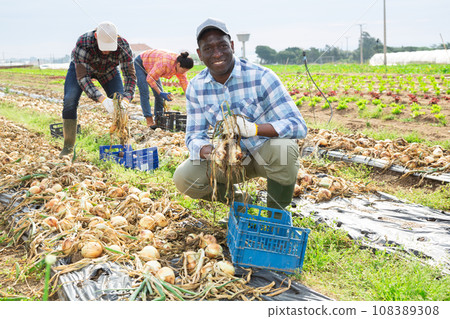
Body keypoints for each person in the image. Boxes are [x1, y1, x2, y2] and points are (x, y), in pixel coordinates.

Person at [173, 18, 308, 211]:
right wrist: (211, 152)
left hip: (264, 154)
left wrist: (254, 129)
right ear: (200, 55)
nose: (217, 53)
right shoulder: (196, 87)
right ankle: (241, 202)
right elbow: (194, 136)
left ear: (232, 46)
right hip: (228, 161)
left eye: (222, 45)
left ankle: (276, 216)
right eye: (208, 49)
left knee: (284, 149)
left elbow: (298, 125)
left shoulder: (261, 76)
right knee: (184, 178)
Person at [60, 21, 136, 157]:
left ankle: (125, 146)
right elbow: (83, 78)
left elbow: (130, 75)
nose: (106, 51)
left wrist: (126, 99)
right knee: (69, 100)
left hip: (109, 71)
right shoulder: (83, 42)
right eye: (103, 47)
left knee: (119, 102)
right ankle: (68, 146)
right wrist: (103, 100)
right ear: (96, 36)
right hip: (83, 69)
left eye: (110, 47)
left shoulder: (123, 45)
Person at [134, 49, 194, 127]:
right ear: (178, 64)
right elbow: (150, 79)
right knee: (144, 92)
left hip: (153, 67)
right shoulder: (165, 63)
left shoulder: (181, 67)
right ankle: (149, 120)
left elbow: (184, 83)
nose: (183, 73)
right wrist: (161, 93)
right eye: (183, 70)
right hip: (141, 62)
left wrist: (189, 99)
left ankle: (158, 120)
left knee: (159, 97)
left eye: (185, 71)